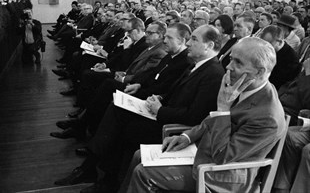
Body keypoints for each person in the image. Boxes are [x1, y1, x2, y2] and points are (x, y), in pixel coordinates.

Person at [54, 25, 225, 192]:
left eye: (194, 39)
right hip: (162, 113)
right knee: (117, 109)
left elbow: (195, 116)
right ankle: (94, 170)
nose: (188, 43)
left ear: (209, 46)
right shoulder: (196, 64)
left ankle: (103, 176)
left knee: (125, 127)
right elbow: (173, 91)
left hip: (171, 128)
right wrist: (160, 98)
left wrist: (160, 110)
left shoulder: (213, 74)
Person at [120, 37, 286, 193]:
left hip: (221, 176)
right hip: (202, 154)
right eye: (231, 59)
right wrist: (187, 136)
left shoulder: (267, 117)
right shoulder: (244, 85)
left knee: (144, 172)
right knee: (139, 155)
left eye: (238, 62)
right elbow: (210, 120)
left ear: (259, 72)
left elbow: (223, 157)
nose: (228, 67)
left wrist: (223, 109)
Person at [273, 58, 310, 193]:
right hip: (286, 109)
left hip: (292, 113)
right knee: (289, 136)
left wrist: (309, 74)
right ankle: (280, 188)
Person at [260, 25, 302, 90]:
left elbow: (279, 84)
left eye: (268, 44)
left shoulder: (291, 60)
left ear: (279, 42)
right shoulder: (268, 49)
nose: (264, 47)